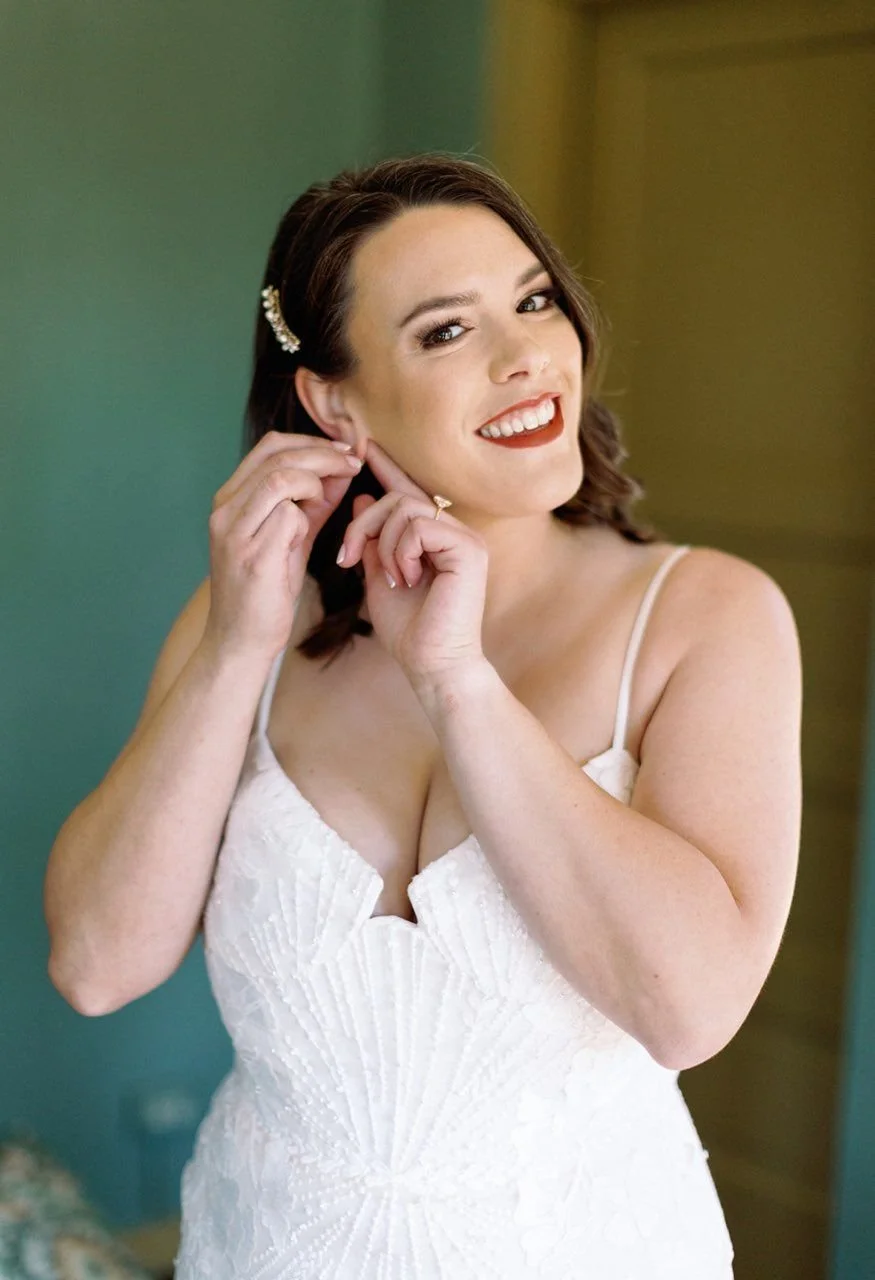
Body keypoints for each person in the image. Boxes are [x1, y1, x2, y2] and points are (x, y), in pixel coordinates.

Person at [45, 153, 802, 1278]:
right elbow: (98, 962)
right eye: (447, 331)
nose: (524, 355)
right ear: (332, 400)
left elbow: (682, 1008)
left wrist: (458, 683)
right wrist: (236, 646)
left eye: (534, 300)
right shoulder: (245, 618)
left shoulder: (706, 614)